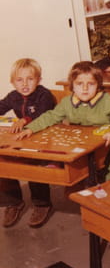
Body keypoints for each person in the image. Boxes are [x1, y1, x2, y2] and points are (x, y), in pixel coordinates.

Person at [16, 61, 110, 180]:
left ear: (98, 85)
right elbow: (50, 116)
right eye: (79, 84)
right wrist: (30, 128)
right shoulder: (67, 102)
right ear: (72, 85)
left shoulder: (106, 100)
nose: (85, 88)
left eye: (91, 84)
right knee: (76, 175)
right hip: (84, 149)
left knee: (103, 177)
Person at [0, 58, 57, 228]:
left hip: (44, 136)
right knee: (3, 160)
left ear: (38, 80)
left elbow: (43, 113)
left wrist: (24, 120)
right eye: (19, 80)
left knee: (34, 165)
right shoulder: (13, 96)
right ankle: (13, 202)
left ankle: (42, 204)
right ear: (12, 82)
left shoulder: (44, 95)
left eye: (30, 79)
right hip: (23, 137)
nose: (25, 84)